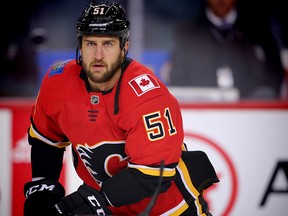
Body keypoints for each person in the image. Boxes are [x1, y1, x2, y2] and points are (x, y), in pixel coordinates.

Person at [23, 1, 219, 216]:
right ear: (80, 45)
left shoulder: (146, 94)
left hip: (171, 210)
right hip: (107, 208)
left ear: (124, 47)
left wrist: (82, 203)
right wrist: (43, 189)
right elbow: (46, 140)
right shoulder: (57, 82)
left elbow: (152, 175)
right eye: (90, 43)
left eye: (108, 44)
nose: (98, 55)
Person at [169, 0, 285, 99]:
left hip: (250, 113)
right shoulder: (189, 33)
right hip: (205, 114)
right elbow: (179, 81)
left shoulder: (257, 29)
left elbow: (274, 75)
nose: (221, 0)